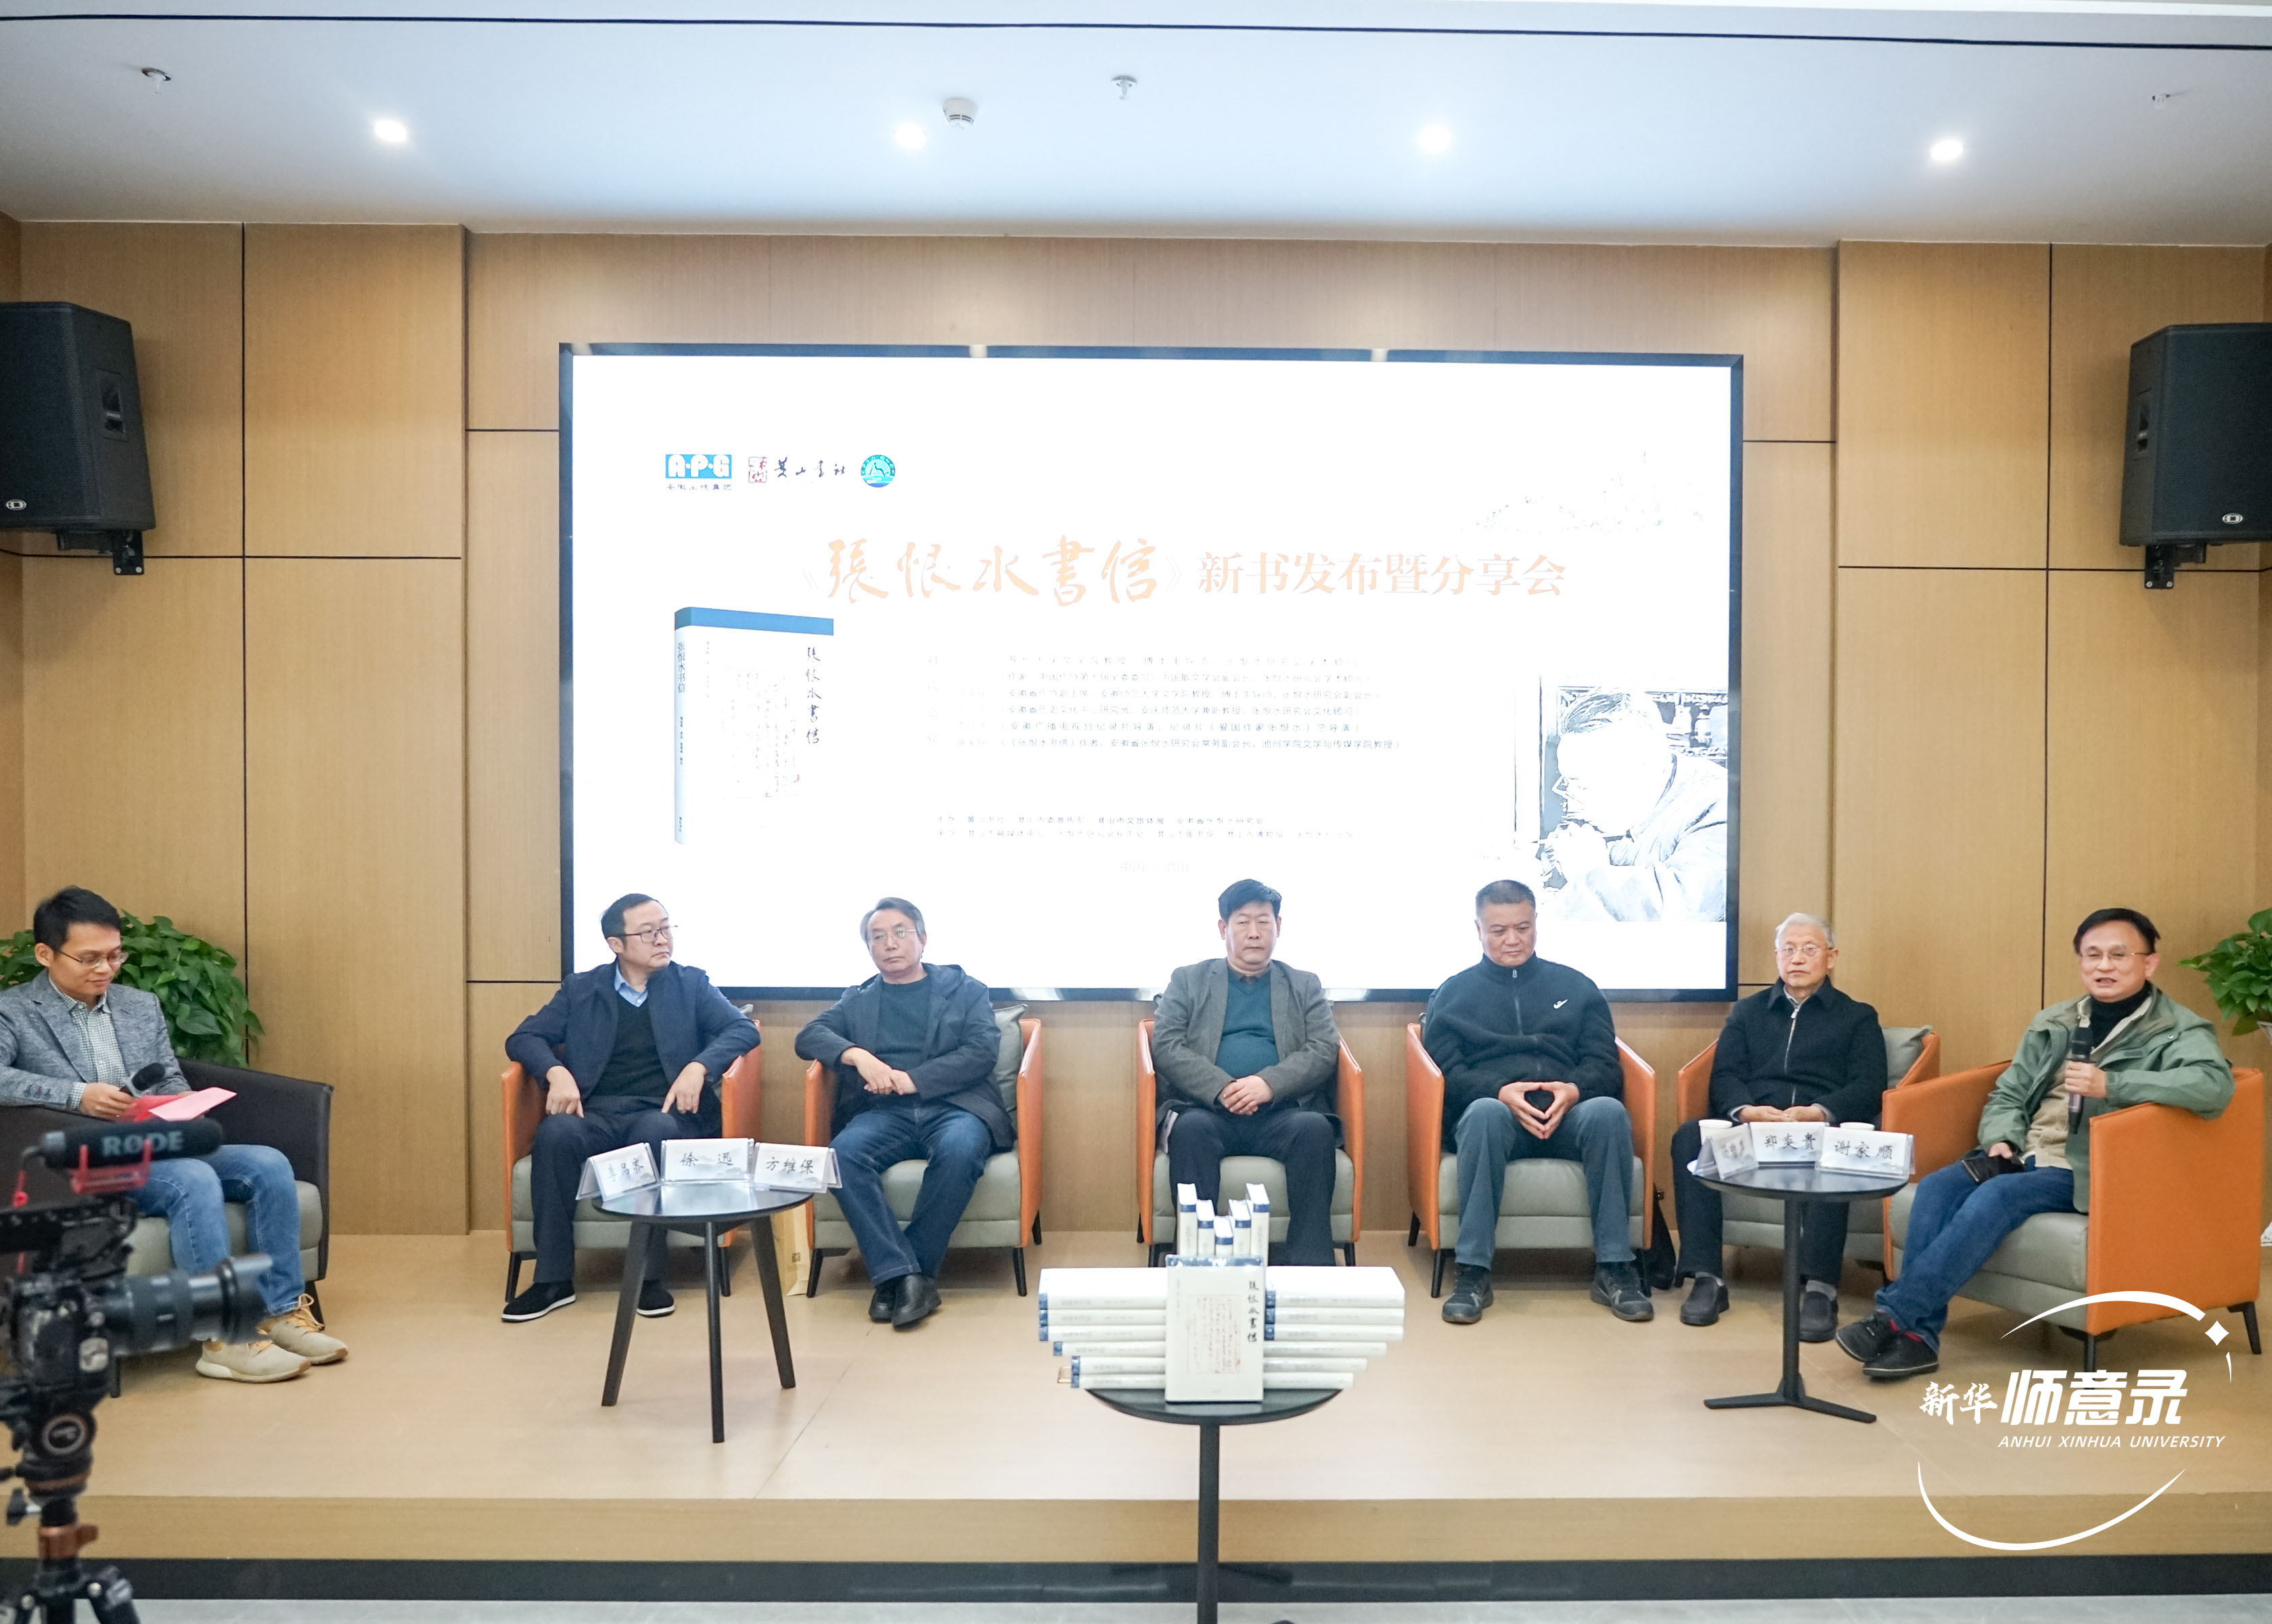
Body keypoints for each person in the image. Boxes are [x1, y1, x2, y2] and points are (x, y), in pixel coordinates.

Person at [1838, 907, 2235, 1380]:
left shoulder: (2179, 1029)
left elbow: (2214, 1086)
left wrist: (2114, 1085)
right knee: (1938, 1187)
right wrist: (2000, 1137)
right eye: (2092, 955)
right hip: (2025, 1152)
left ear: (2149, 963)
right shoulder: (2057, 1020)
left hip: (2089, 1164)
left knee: (1997, 1196)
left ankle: (1894, 1317)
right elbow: (2009, 1092)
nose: (2103, 966)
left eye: (2118, 955)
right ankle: (1919, 1339)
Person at [0, 886, 344, 1384]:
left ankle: (280, 1311)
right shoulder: (13, 1011)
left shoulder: (139, 1005)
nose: (106, 969)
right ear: (45, 954)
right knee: (190, 1179)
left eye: (115, 955)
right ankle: (223, 1337)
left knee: (267, 1163)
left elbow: (168, 1078)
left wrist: (179, 1105)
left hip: (152, 1141)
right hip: (82, 1157)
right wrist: (77, 1096)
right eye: (89, 958)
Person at [503, 894, 758, 1323]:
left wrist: (699, 1067)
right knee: (556, 1133)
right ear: (616, 944)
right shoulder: (582, 989)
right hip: (595, 1114)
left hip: (663, 1112)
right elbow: (524, 1038)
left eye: (666, 928)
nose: (662, 939)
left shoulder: (690, 984)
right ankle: (552, 1279)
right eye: (648, 932)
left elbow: (742, 1029)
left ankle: (649, 1277)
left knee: (654, 1133)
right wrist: (555, 1072)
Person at [1422, 879, 1651, 1324]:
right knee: (1484, 1114)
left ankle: (1615, 1269)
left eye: (1522, 928)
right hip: (1498, 1119)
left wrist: (1574, 1089)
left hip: (1569, 1116)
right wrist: (1499, 1091)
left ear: (1535, 925)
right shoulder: (1453, 995)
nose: (1512, 940)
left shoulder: (1577, 987)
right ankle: (1472, 1272)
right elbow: (1447, 1075)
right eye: (1499, 931)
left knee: (1608, 1111)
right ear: (1478, 930)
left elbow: (1606, 1065)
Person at [1671, 913, 1886, 1338]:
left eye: (1809, 949)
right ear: (1776, 957)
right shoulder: (1747, 1012)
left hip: (1818, 1128)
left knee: (1836, 1148)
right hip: (1756, 1128)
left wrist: (1821, 1111)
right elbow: (1724, 1075)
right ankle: (1707, 1278)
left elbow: (1869, 1084)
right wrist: (1746, 1111)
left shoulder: (1857, 1017)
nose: (1797, 959)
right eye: (1788, 950)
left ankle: (1820, 1288)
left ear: (1831, 957)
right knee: (1689, 1139)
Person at [796, 898, 1008, 1330]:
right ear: (869, 948)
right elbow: (809, 1036)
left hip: (956, 1106)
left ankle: (904, 1276)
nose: (889, 944)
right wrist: (857, 1055)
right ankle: (905, 1276)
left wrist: (914, 1079)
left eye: (900, 933)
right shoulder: (859, 999)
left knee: (961, 1149)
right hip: (884, 1113)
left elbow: (981, 1052)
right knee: (842, 1156)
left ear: (923, 939)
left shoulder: (965, 989)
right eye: (877, 937)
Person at [1150, 879, 1344, 1267]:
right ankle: (1196, 1264)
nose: (1254, 932)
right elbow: (1167, 1045)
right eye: (1242, 922)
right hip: (1207, 1111)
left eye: (1263, 922)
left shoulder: (1304, 984)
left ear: (1278, 926)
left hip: (1281, 1112)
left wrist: (1268, 1084)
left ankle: (1311, 1268)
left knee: (1315, 1130)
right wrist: (1222, 1088)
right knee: (1189, 1131)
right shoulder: (1188, 980)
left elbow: (1324, 1048)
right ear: (1223, 928)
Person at [1540, 690, 1727, 923]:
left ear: (1644, 769)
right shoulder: (1621, 802)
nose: (1570, 799)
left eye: (1582, 786)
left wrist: (1586, 876)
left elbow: (1678, 910)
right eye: (1567, 782)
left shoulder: (1719, 802)